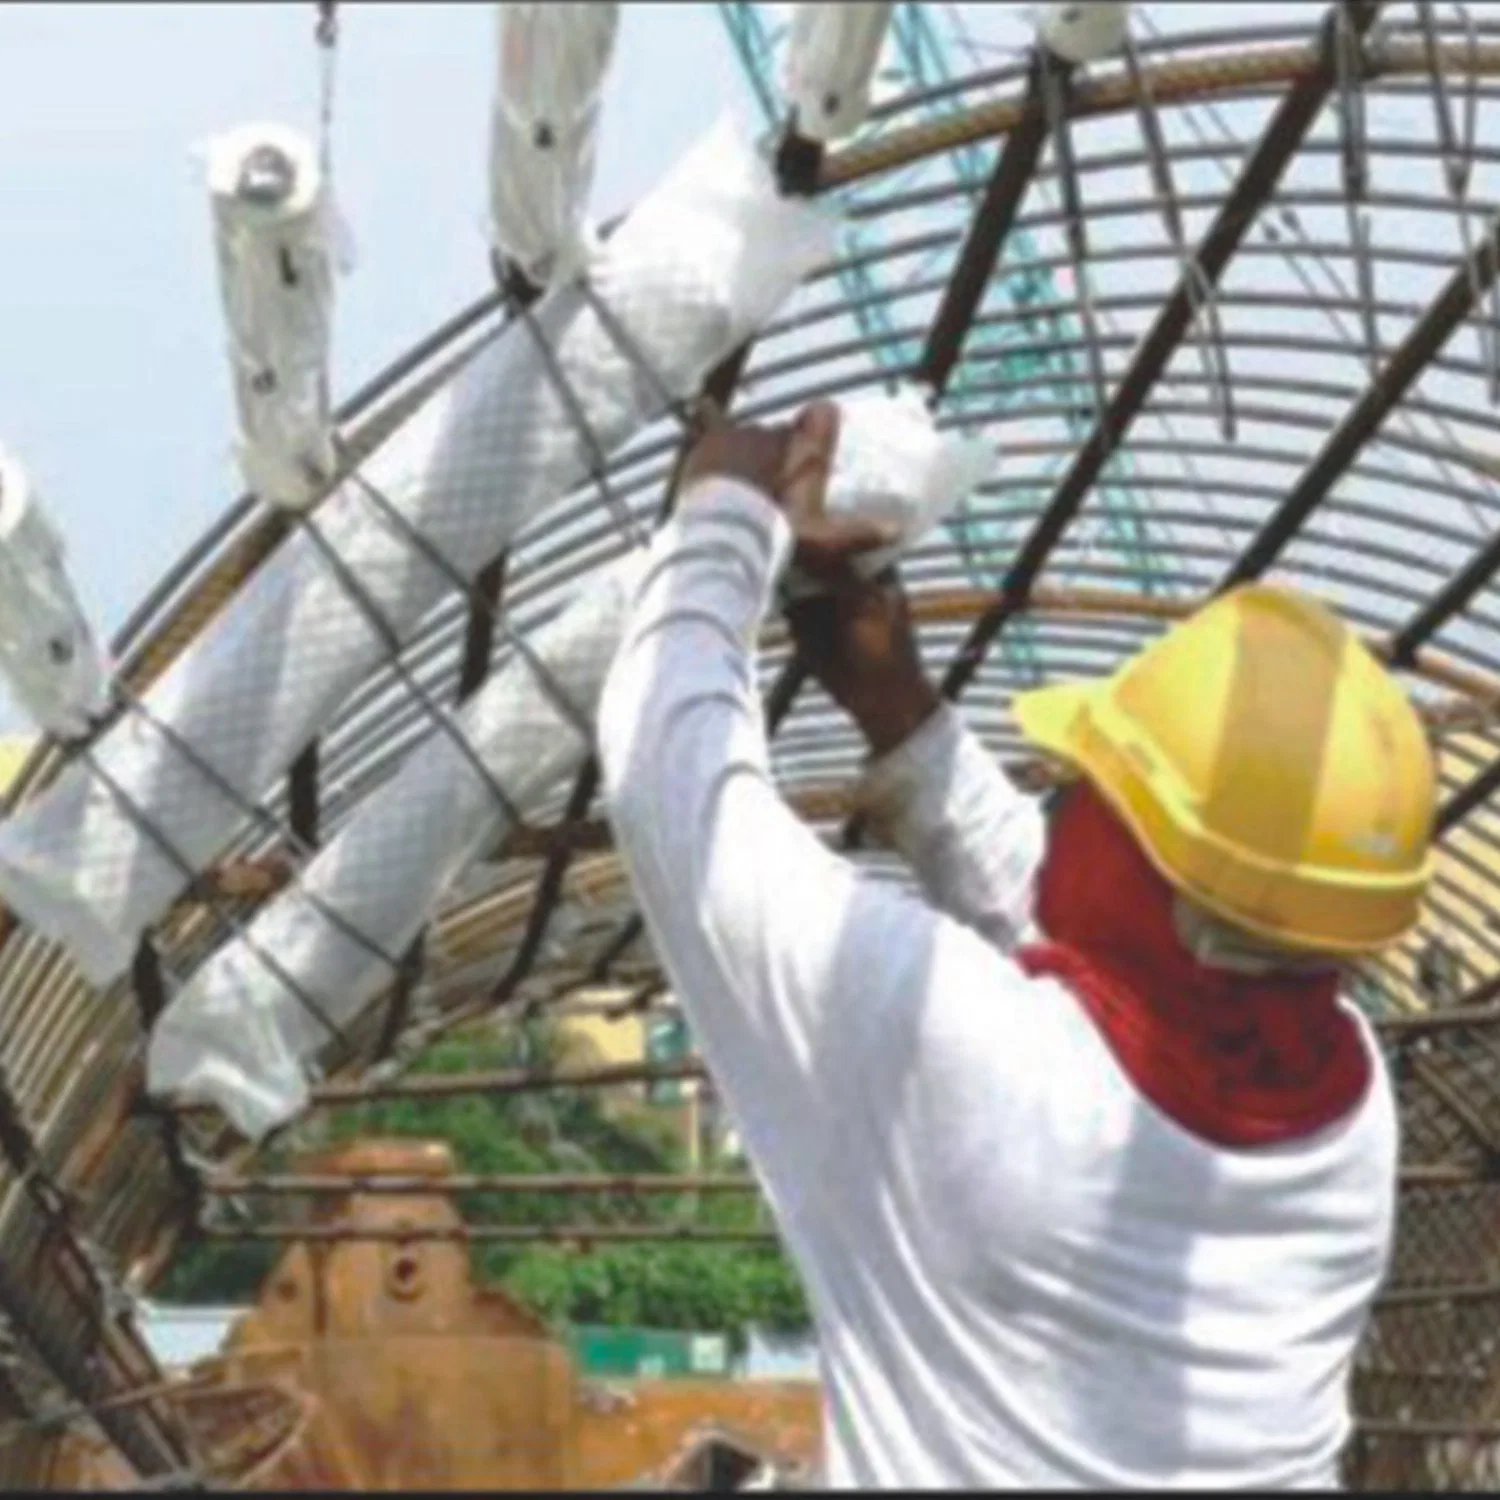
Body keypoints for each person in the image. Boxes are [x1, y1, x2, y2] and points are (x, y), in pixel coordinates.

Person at [596, 401, 1435, 1490]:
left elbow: (675, 796)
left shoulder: (962, 1049)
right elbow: (1122, 961)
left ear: (1137, 864)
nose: (1068, 808)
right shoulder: (1350, 1109)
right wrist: (900, 711)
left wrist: (722, 510)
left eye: (1090, 790)